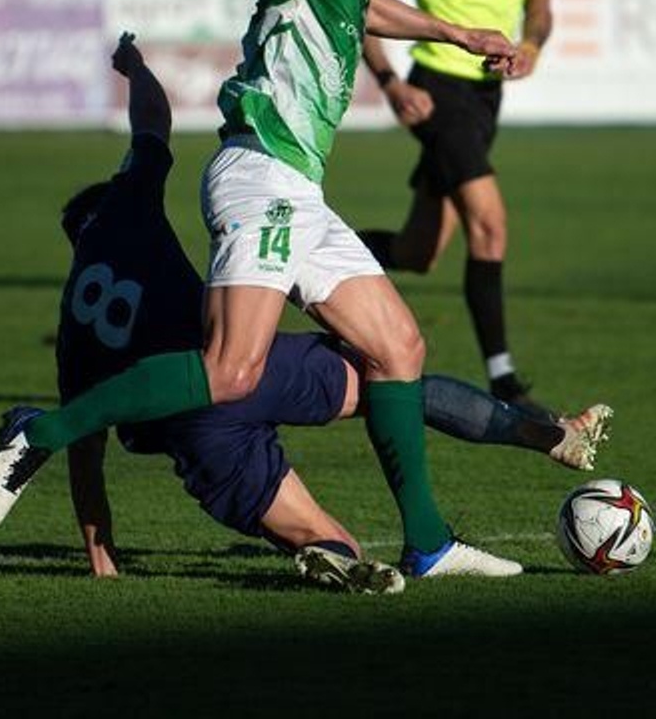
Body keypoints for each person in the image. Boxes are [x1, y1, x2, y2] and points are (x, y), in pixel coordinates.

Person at [0, 0, 531, 579]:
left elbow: (367, 11)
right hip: (259, 175)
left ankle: (429, 543)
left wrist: (460, 35)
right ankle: (41, 433)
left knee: (398, 347)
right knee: (231, 371)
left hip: (297, 189)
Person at [43, 35, 611, 591]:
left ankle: (332, 554)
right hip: (254, 369)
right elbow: (151, 122)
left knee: (334, 541)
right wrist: (136, 67)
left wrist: (103, 556)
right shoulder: (128, 208)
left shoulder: (74, 329)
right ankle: (545, 435)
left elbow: (85, 456)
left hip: (199, 440)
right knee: (390, 377)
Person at [356, 0, 556, 410]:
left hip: (485, 97)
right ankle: (503, 377)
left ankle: (304, 259)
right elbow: (366, 3)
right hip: (438, 88)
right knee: (490, 225)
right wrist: (391, 82)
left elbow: (540, 8)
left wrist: (529, 46)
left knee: (419, 252)